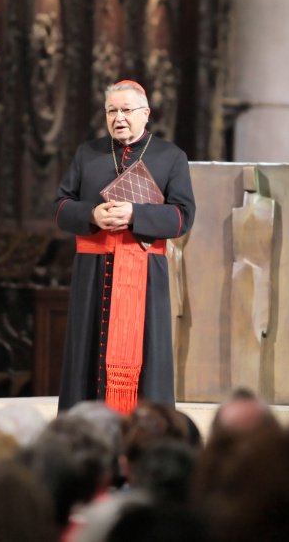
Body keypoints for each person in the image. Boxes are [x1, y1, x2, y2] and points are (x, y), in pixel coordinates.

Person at [54, 80, 195, 413]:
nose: (119, 117)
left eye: (126, 110)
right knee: (87, 353)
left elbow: (182, 217)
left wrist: (135, 214)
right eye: (111, 111)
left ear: (145, 114)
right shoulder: (87, 153)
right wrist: (91, 214)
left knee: (147, 354)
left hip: (144, 273)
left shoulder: (170, 157)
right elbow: (60, 206)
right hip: (93, 272)